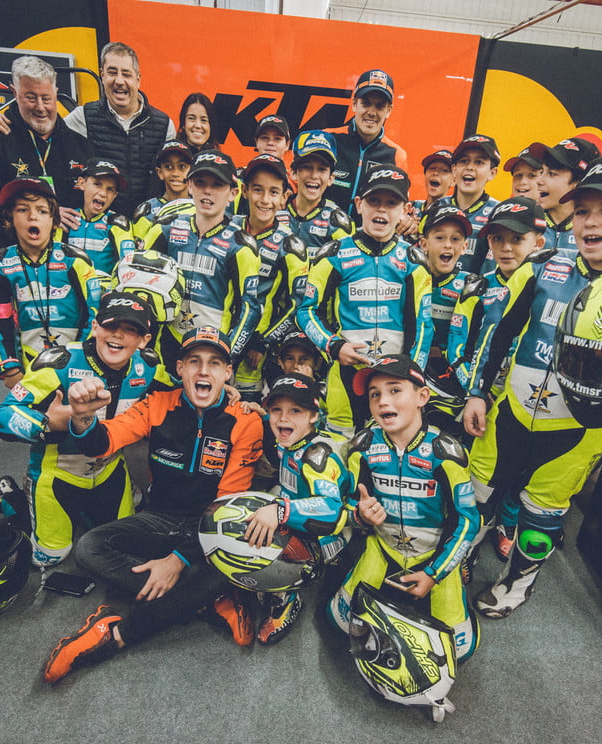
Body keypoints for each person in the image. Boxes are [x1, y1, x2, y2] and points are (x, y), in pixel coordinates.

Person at [461, 153, 602, 618]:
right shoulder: (543, 264)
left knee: (541, 515)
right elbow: (498, 334)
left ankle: (517, 582)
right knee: (477, 494)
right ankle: (460, 558)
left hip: (579, 431)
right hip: (510, 409)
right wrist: (477, 392)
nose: (590, 221)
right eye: (583, 210)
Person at [42, 327, 263, 683]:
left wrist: (177, 561)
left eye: (214, 363)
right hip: (159, 518)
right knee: (89, 548)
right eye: (194, 361)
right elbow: (103, 442)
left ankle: (116, 633)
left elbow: (225, 509)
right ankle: (205, 600)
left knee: (232, 565)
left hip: (211, 528)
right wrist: (82, 417)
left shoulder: (247, 421)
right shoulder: (157, 404)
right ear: (180, 368)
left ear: (227, 373)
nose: (203, 371)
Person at [0, 291, 174, 566]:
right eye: (111, 325)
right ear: (95, 327)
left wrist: (224, 394)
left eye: (130, 330)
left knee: (120, 542)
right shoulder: (59, 363)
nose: (118, 335)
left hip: (110, 468)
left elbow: (179, 394)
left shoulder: (148, 367)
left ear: (144, 340)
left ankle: (87, 508)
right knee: (49, 557)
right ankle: (10, 498)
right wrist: (47, 423)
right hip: (57, 473)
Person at [326, 355, 481, 663]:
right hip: (383, 547)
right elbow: (351, 501)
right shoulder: (362, 447)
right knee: (340, 621)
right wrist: (361, 514)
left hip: (433, 554)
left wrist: (435, 573)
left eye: (395, 390)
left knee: (458, 650)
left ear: (422, 396)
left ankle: (456, 571)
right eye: (375, 394)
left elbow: (467, 521)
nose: (383, 401)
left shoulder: (446, 453)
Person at [210, 373, 350, 645]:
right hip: (295, 514)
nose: (284, 418)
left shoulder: (317, 456)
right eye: (277, 410)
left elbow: (332, 509)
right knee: (247, 512)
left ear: (314, 416)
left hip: (328, 535)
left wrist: (278, 511)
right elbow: (277, 424)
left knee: (260, 537)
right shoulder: (291, 438)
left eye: (295, 410)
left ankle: (285, 597)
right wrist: (260, 413)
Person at [297, 165, 433, 436]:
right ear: (359, 204)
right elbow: (306, 311)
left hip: (395, 380)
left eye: (391, 203)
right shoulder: (333, 254)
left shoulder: (414, 261)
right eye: (374, 201)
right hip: (345, 374)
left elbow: (423, 325)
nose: (381, 210)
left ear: (405, 210)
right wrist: (334, 346)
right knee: (340, 446)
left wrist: (411, 374)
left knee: (387, 448)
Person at [448, 196, 548, 563]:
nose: (506, 248)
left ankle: (507, 523)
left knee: (520, 473)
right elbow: (457, 347)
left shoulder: (552, 290)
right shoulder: (477, 287)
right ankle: (464, 544)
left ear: (538, 242)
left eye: (516, 239)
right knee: (476, 475)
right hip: (482, 399)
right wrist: (477, 391)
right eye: (497, 238)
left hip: (531, 400)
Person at [0, 43, 177, 217]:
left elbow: (174, 177)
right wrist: (3, 118)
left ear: (138, 79)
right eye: (112, 72)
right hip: (100, 227)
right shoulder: (82, 116)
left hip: (148, 224)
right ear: (102, 75)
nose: (119, 81)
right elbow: (41, 126)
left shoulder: (164, 125)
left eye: (126, 74)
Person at [140, 149, 261, 364]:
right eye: (200, 183)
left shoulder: (241, 246)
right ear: (189, 186)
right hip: (162, 348)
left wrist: (227, 354)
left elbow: (250, 310)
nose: (207, 191)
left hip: (211, 350)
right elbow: (139, 284)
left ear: (233, 193)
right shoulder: (165, 229)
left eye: (217, 185)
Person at [0, 177, 102, 387]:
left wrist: (81, 361)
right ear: (10, 218)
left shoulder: (75, 261)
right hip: (27, 367)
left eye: (42, 211)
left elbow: (94, 314)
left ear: (54, 220)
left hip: (76, 363)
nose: (32, 216)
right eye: (22, 210)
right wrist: (9, 367)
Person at [0, 55, 93, 226]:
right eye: (31, 98)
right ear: (15, 92)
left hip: (71, 241)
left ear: (56, 93)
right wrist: (44, 213)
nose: (40, 107)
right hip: (17, 240)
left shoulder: (79, 144)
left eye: (46, 98)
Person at [232, 153, 308, 399]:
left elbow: (298, 304)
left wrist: (262, 342)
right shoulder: (227, 229)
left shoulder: (290, 245)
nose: (265, 200)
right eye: (258, 190)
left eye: (273, 192)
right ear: (244, 191)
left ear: (284, 198)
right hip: (217, 337)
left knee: (244, 410)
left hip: (254, 350)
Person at [325, 69, 411, 234]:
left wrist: (408, 219)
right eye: (366, 103)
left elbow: (401, 206)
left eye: (380, 106)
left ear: (389, 110)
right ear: (354, 104)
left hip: (366, 243)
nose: (371, 112)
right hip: (320, 236)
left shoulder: (397, 155)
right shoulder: (328, 139)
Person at [417, 203, 474, 430]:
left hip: (449, 375)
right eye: (439, 237)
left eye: (456, 239)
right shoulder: (409, 275)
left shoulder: (470, 285)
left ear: (465, 246)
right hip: (410, 368)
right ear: (424, 244)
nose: (448, 245)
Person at [57, 158, 135, 280]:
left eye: (110, 189)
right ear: (81, 183)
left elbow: (128, 264)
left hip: (105, 288)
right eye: (97, 184)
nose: (103, 193)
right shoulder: (67, 218)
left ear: (115, 195)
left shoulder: (118, 223)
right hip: (69, 288)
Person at [285, 130, 352, 260]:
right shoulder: (276, 210)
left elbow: (348, 267)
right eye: (307, 167)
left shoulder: (337, 222)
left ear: (331, 178)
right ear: (293, 173)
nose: (314, 175)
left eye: (322, 169)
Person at [439, 134, 501, 275]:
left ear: (492, 173)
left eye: (478, 162)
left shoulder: (499, 212)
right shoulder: (437, 206)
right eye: (464, 161)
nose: (469, 167)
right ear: (454, 169)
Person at [528, 137, 600, 251]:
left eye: (551, 174)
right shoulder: (524, 222)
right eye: (542, 172)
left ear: (579, 183)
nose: (539, 181)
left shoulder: (597, 232)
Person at [131, 140, 194, 240]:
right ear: (160, 172)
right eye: (168, 166)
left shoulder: (201, 207)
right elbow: (138, 247)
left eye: (182, 166)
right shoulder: (147, 210)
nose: (175, 173)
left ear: (192, 170)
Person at [411, 149, 455, 221]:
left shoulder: (453, 215)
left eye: (444, 170)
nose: (435, 173)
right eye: (432, 168)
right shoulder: (411, 207)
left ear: (454, 181)